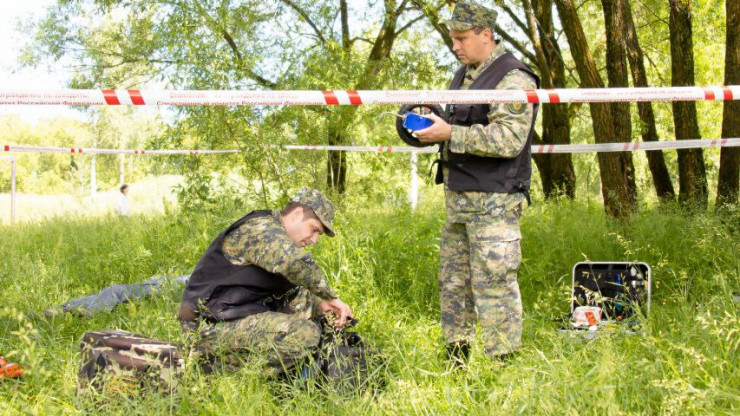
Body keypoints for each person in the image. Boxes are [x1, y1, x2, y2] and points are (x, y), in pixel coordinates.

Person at [414, 2, 540, 365]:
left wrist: (450, 132)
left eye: (462, 38)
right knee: (454, 286)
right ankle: (457, 362)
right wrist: (429, 121)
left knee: (494, 289)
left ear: (486, 35)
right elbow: (460, 125)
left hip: (495, 205)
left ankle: (503, 369)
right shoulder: (462, 75)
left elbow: (508, 139)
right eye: (453, 38)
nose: (455, 45)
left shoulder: (513, 77)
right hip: (458, 204)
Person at [178, 187, 353, 376]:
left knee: (309, 312)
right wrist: (331, 297)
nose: (314, 240)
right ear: (297, 214)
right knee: (304, 335)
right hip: (207, 325)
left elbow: (292, 292)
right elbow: (294, 263)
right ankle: (206, 367)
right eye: (314, 229)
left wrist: (321, 305)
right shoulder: (261, 229)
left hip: (232, 316)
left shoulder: (279, 241)